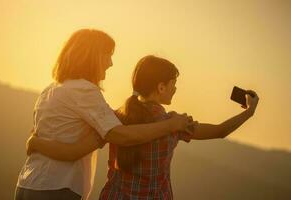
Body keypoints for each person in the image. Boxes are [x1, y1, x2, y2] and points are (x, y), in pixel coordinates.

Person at [28, 55, 259, 199]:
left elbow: (75, 150)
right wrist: (249, 112)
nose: (175, 89)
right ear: (160, 87)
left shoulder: (113, 118)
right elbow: (220, 131)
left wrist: (36, 142)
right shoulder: (175, 123)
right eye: (173, 84)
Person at [14, 30, 192, 200]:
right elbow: (121, 135)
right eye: (108, 54)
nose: (111, 63)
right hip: (56, 188)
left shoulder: (50, 90)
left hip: (27, 183)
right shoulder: (84, 90)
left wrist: (33, 142)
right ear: (94, 56)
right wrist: (171, 125)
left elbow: (44, 138)